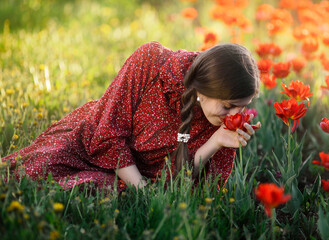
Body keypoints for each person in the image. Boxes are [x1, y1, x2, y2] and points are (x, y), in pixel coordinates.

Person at [1, 41, 261, 192]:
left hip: (131, 182)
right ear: (204, 91)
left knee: (96, 190)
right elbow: (107, 132)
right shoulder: (152, 62)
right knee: (31, 173)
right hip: (90, 145)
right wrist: (143, 192)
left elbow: (180, 189)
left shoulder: (224, 125)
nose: (235, 116)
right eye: (229, 106)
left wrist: (215, 143)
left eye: (243, 107)